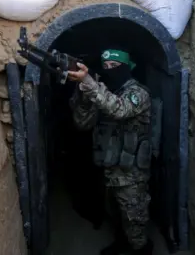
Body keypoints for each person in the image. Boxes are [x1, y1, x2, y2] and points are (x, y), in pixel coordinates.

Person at [68, 48, 153, 255]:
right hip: (108, 164)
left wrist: (89, 82)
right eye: (106, 67)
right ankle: (122, 243)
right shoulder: (104, 92)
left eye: (115, 66)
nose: (110, 71)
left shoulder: (138, 93)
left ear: (127, 67)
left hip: (131, 169)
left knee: (134, 217)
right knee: (114, 212)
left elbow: (119, 109)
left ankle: (141, 249)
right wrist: (85, 94)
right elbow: (82, 123)